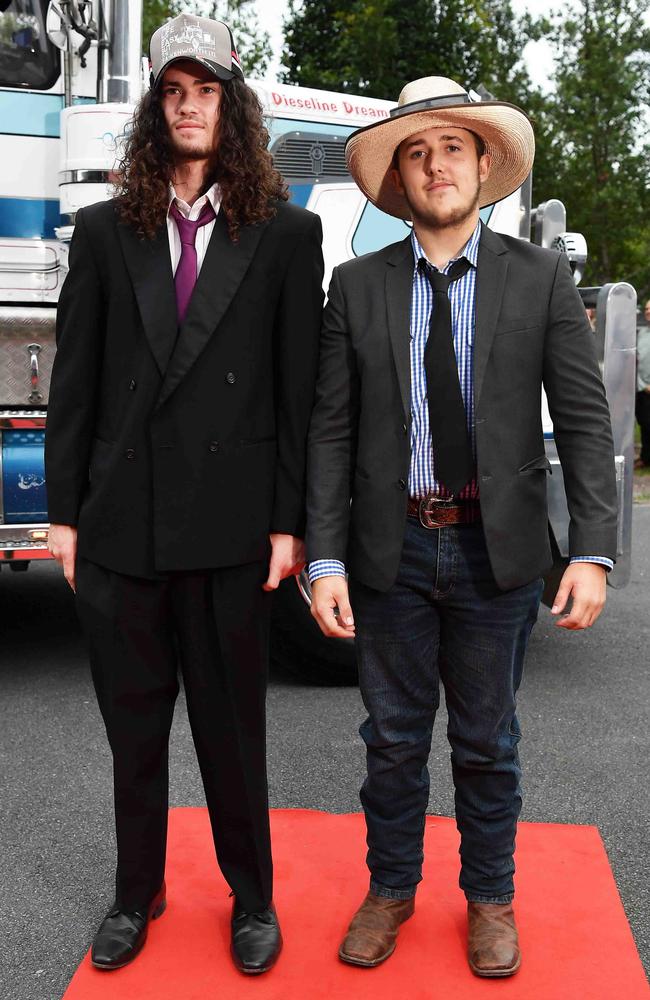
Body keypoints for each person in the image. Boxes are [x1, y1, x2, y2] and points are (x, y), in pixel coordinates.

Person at [307, 76, 617, 978]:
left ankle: (490, 900)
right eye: (416, 150)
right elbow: (330, 428)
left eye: (452, 146)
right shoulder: (356, 286)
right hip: (389, 549)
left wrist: (591, 549)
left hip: (498, 552)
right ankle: (391, 889)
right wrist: (324, 556)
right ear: (398, 178)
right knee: (392, 740)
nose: (436, 163)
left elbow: (587, 419)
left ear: (486, 164)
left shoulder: (541, 277)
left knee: (488, 743)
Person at [45, 13, 323, 975]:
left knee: (230, 731)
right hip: (121, 526)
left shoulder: (288, 236)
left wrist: (290, 522)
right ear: (156, 108)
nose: (189, 106)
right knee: (133, 729)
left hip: (233, 527)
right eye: (173, 91)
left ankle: (253, 898)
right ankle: (138, 890)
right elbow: (73, 381)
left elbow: (299, 392)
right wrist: (65, 514)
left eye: (205, 90)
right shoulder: (103, 230)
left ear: (230, 105)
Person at [635, 300, 650, 469]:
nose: (647, 311)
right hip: (642, 388)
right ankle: (646, 457)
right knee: (644, 423)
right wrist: (643, 384)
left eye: (649, 309)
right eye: (645, 309)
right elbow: (636, 360)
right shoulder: (642, 333)